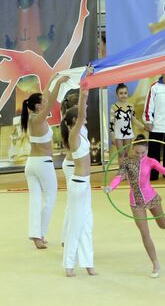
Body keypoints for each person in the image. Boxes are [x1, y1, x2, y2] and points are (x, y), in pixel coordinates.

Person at [104, 134, 165, 277]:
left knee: (163, 225)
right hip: (136, 201)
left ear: (147, 150)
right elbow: (119, 176)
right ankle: (155, 263)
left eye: (143, 152)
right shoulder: (126, 162)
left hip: (151, 197)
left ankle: (158, 212)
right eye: (137, 152)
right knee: (144, 232)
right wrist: (111, 187)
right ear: (132, 150)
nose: (140, 155)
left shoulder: (151, 161)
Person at [21, 74, 69, 249]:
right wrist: (60, 83)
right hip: (42, 164)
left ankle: (37, 235)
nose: (44, 102)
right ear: (37, 106)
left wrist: (53, 79)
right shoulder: (38, 118)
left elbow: (45, 95)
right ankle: (39, 234)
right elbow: (51, 99)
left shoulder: (32, 117)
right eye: (41, 102)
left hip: (31, 165)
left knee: (35, 200)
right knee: (50, 198)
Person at [61, 85, 96, 277]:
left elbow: (82, 115)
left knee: (87, 222)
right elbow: (82, 113)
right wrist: (84, 94)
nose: (85, 117)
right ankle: (68, 265)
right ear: (75, 120)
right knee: (76, 223)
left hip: (86, 183)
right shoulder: (73, 134)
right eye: (82, 117)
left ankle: (88, 263)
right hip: (78, 184)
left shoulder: (80, 129)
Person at [61, 93, 79, 246]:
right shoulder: (72, 125)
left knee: (73, 203)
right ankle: (66, 237)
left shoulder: (72, 122)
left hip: (73, 165)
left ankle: (67, 236)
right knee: (72, 203)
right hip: (72, 166)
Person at [110, 83, 144, 159]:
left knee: (126, 154)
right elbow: (112, 123)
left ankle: (125, 170)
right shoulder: (114, 107)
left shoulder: (131, 106)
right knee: (121, 154)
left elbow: (134, 120)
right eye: (121, 93)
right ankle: (121, 170)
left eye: (125, 93)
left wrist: (143, 126)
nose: (123, 95)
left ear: (127, 94)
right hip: (118, 134)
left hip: (128, 133)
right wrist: (112, 136)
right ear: (117, 94)